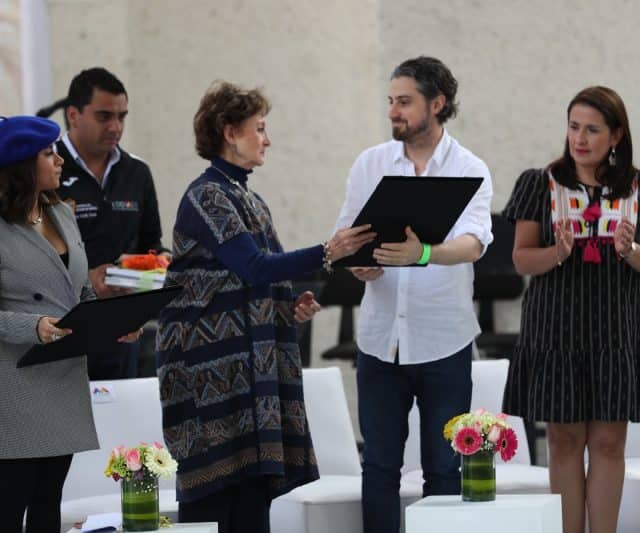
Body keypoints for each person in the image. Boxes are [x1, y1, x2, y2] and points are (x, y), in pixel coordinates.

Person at [156, 81, 374, 533]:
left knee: (253, 495)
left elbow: (254, 278)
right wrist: (328, 252)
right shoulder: (207, 195)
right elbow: (253, 266)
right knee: (216, 501)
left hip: (247, 374)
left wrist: (286, 307)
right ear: (229, 132)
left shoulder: (248, 198)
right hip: (209, 376)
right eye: (259, 128)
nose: (267, 139)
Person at [334, 56, 494, 533]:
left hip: (444, 341)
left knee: (444, 469)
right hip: (379, 341)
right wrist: (356, 262)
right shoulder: (370, 163)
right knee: (379, 466)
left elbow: (474, 244)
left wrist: (422, 253)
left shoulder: (469, 168)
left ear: (437, 103)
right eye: (391, 101)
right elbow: (344, 238)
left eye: (404, 102)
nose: (393, 111)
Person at [502, 86, 640, 533]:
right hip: (555, 330)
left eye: (592, 129)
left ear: (616, 135)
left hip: (617, 331)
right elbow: (521, 259)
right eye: (574, 126)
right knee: (563, 441)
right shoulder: (538, 183)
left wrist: (630, 249)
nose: (579, 138)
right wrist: (556, 253)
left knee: (610, 443)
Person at [0, 116, 140, 533]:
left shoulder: (62, 212)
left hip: (63, 377)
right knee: (10, 506)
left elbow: (79, 294)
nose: (60, 160)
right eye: (49, 154)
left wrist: (114, 322)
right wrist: (36, 327)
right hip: (15, 384)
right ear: (22, 166)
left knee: (49, 503)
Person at [55, 67, 170, 379]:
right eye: (104, 116)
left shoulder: (137, 173)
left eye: (122, 117)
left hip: (122, 332)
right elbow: (27, 259)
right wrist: (86, 280)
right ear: (74, 115)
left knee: (121, 410)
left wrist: (156, 266)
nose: (116, 127)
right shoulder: (45, 169)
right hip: (60, 329)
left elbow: (151, 244)